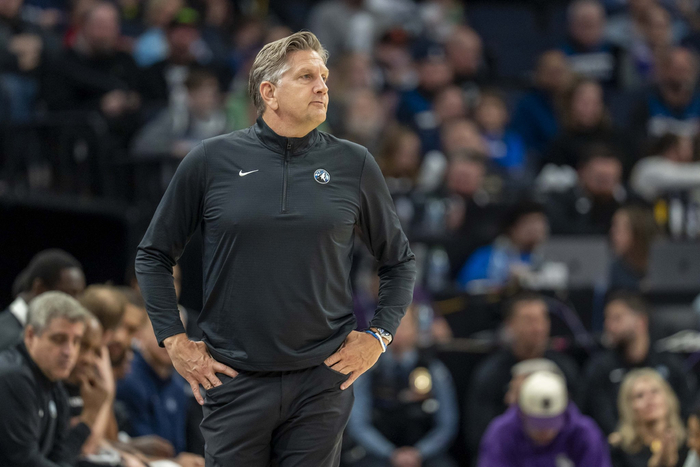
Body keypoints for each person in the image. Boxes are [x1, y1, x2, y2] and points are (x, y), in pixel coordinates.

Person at [135, 31, 416, 466]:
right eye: (306, 77)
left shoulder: (355, 163)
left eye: (324, 77)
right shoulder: (210, 160)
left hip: (322, 380)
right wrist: (174, 340)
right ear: (269, 92)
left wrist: (379, 336)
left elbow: (399, 262)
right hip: (233, 379)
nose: (322, 86)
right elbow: (153, 255)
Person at [0, 291, 108, 466]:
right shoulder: (12, 377)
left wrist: (89, 418)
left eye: (76, 341)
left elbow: (61, 458)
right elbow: (25, 462)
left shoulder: (54, 384)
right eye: (59, 339)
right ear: (30, 335)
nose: (69, 352)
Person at [465, 292, 579, 453]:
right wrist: (514, 409)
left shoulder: (564, 368)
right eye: (529, 320)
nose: (538, 328)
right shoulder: (491, 373)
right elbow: (478, 436)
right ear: (510, 325)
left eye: (542, 319)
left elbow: (579, 426)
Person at [346, 305, 459, 467]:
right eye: (391, 324)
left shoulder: (433, 369)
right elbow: (358, 423)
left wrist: (420, 453)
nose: (397, 331)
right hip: (379, 454)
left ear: (417, 329)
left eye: (404, 324)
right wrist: (390, 454)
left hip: (425, 454)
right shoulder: (369, 369)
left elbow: (447, 423)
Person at [580, 293, 696, 435]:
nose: (608, 326)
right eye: (607, 319)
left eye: (617, 318)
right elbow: (594, 416)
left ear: (641, 321)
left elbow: (689, 408)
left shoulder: (670, 364)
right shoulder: (599, 368)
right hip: (619, 443)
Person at [478, 371, 612, 467]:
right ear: (522, 412)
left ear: (564, 412)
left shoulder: (585, 433)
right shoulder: (501, 434)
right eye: (537, 422)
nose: (545, 430)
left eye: (552, 422)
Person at [116, 313, 203, 460]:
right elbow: (135, 449)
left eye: (178, 332)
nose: (168, 340)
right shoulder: (127, 378)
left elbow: (178, 446)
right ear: (141, 334)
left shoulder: (179, 385)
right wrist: (178, 462)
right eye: (160, 329)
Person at [131, 67, 229, 158]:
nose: (210, 100)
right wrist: (171, 148)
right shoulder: (173, 118)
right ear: (190, 94)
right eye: (204, 94)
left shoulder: (220, 122)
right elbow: (141, 144)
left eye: (212, 94)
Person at [0, 249, 85, 350]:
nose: (77, 304)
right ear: (40, 289)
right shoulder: (6, 339)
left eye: (80, 295)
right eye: (70, 294)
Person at [456, 201, 549, 293]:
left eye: (540, 222)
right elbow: (466, 286)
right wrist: (505, 276)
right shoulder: (487, 256)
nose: (536, 228)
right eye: (529, 223)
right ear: (511, 228)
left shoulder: (546, 257)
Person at [610, 368, 689, 467]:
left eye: (655, 391)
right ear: (628, 406)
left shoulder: (689, 440)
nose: (649, 399)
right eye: (640, 395)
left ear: (668, 397)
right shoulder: (619, 449)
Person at [546, 146, 625, 236]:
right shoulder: (560, 202)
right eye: (600, 178)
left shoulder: (629, 202)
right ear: (581, 172)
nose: (604, 186)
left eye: (610, 179)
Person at [510, 50, 573, 159]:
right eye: (551, 72)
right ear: (539, 74)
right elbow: (525, 146)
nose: (556, 77)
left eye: (560, 71)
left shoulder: (575, 101)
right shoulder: (527, 105)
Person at [562, 0, 624, 89]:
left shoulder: (617, 52)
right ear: (571, 25)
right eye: (583, 24)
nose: (588, 31)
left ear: (603, 24)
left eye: (592, 24)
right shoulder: (561, 56)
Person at [631, 133, 700, 202]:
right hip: (639, 207)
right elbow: (683, 177)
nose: (691, 151)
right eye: (687, 147)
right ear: (672, 148)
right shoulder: (651, 166)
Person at [608, 205, 658, 291]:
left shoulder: (660, 265)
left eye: (618, 229)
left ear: (638, 232)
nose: (611, 233)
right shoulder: (614, 271)